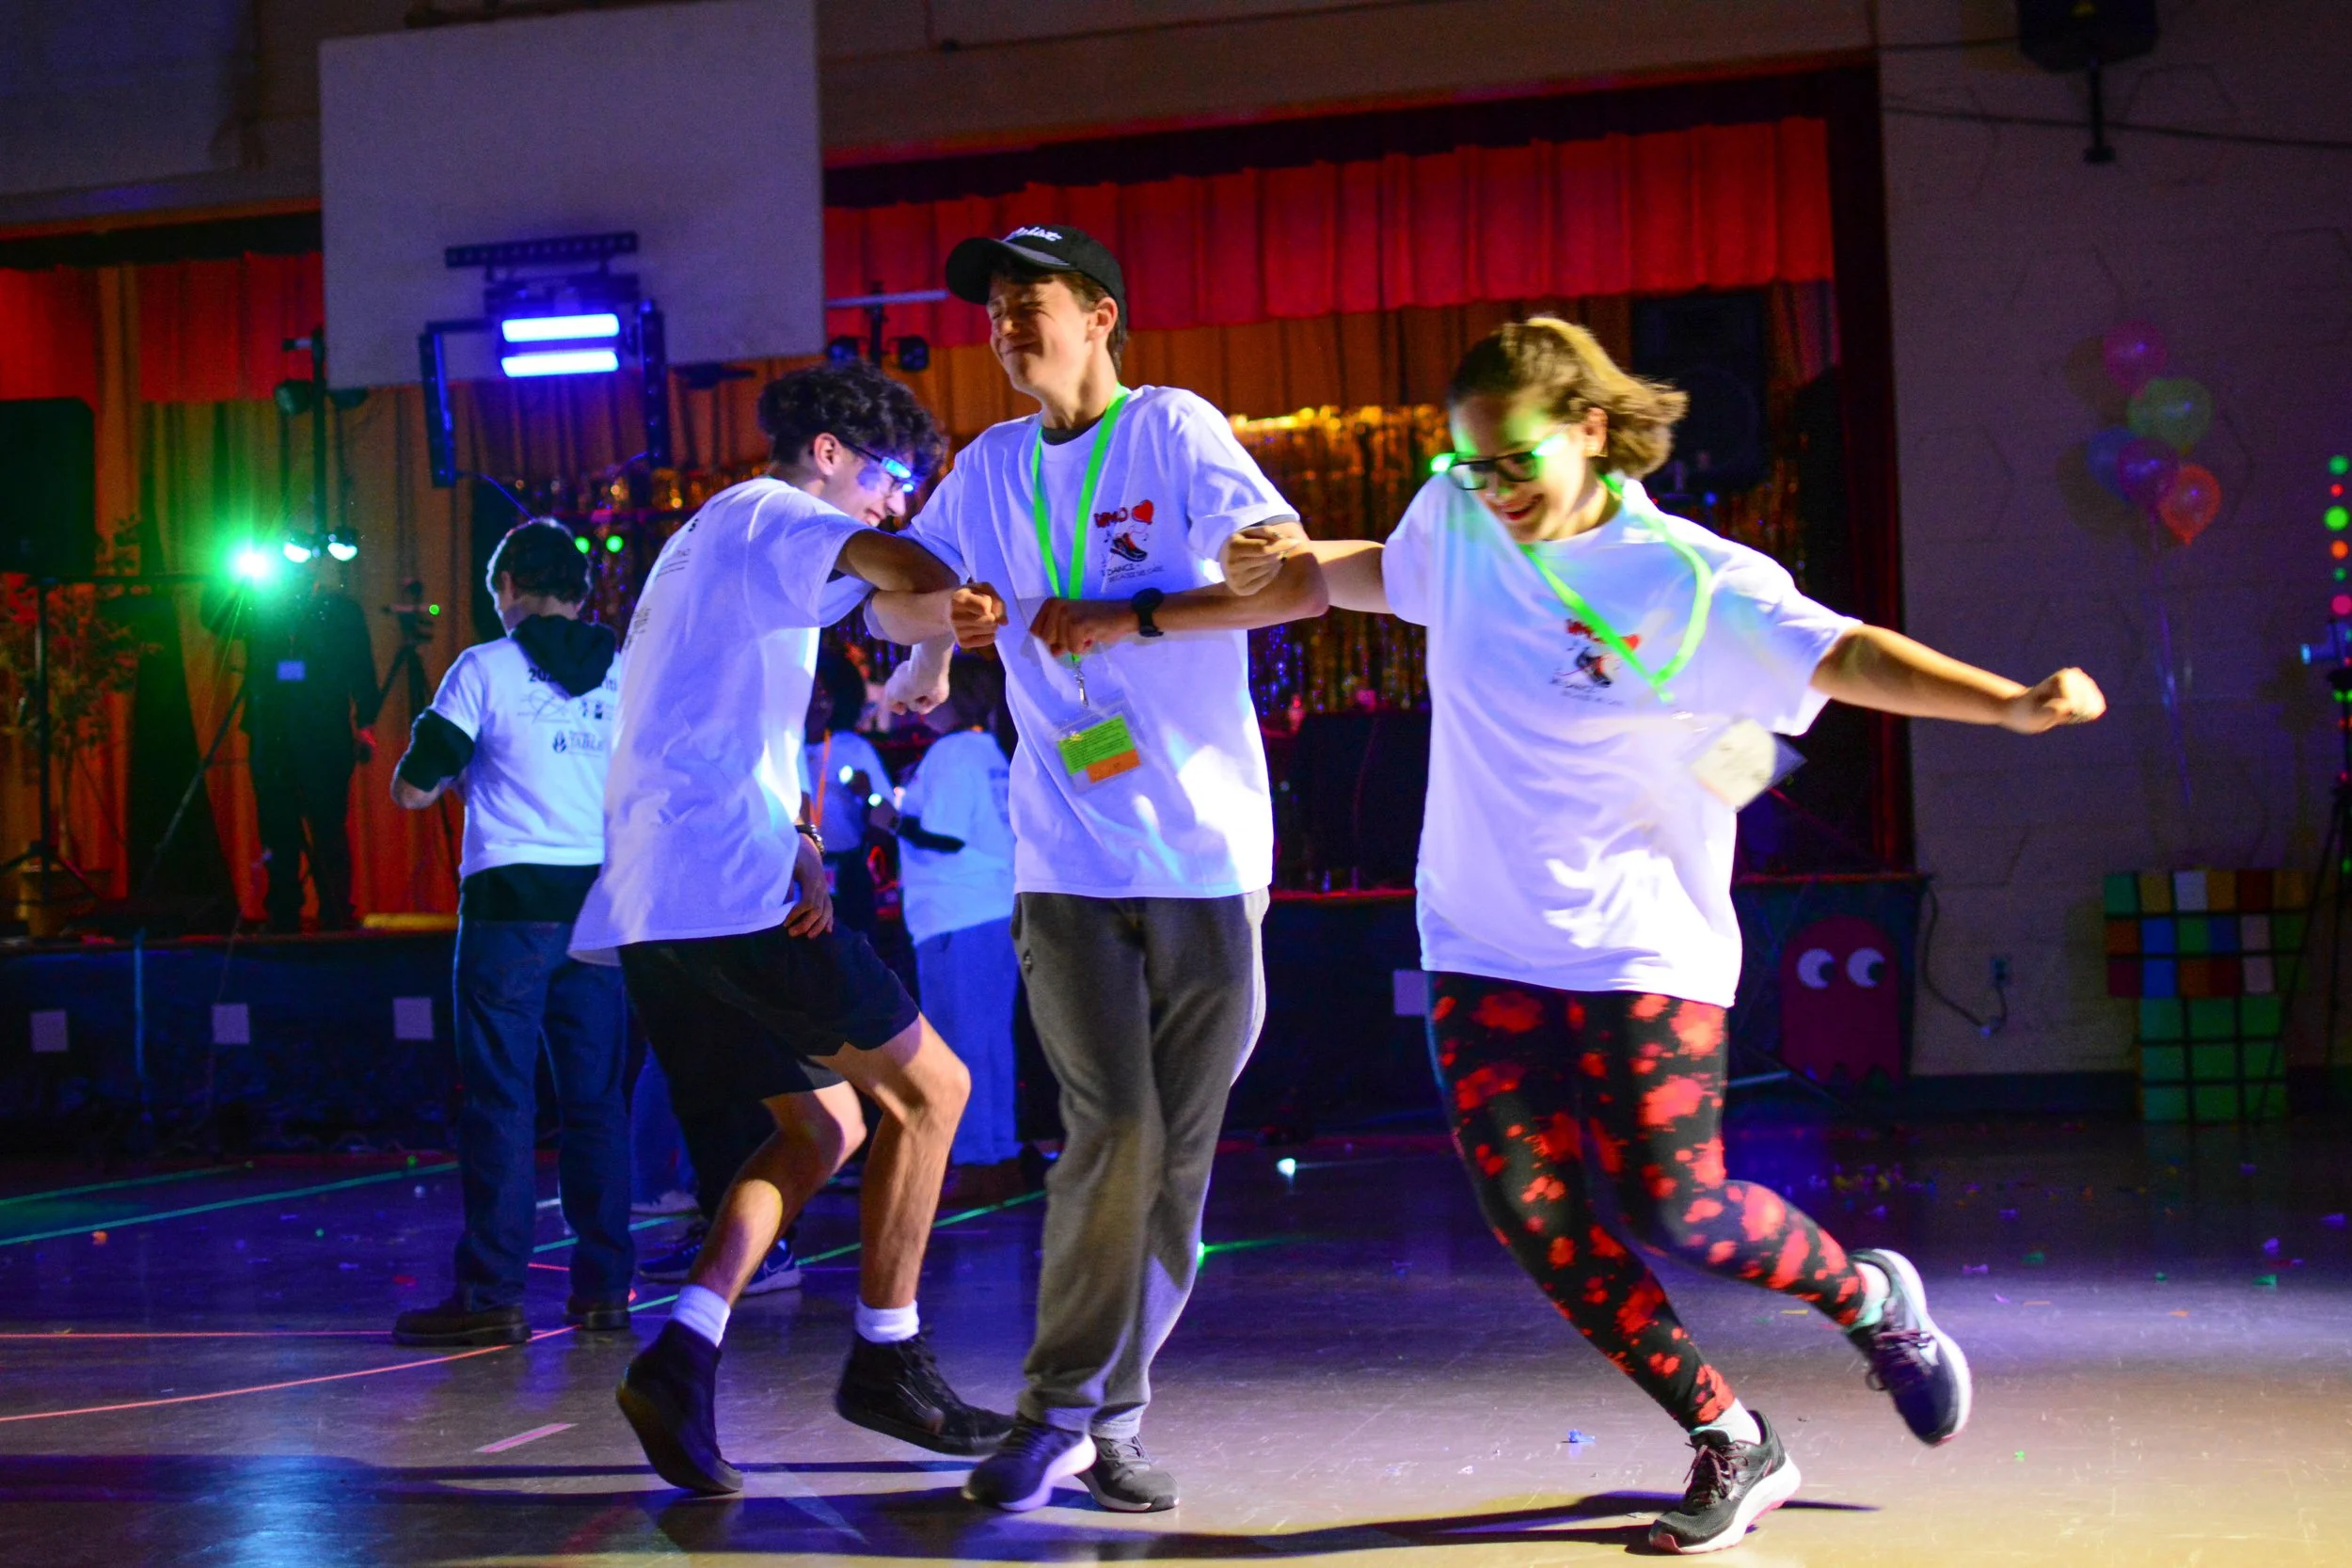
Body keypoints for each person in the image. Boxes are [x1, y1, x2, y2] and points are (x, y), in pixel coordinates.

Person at [1299, 317, 2106, 1554]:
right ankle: (1734, 1436)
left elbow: (1848, 654)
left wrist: (2005, 704)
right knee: (1534, 1212)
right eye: (1467, 464)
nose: (1491, 488)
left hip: (1641, 944)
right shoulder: (1456, 519)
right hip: (1478, 934)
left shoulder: (1692, 575)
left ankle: (1868, 1294)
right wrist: (1188, 601)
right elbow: (1363, 573)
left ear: (1584, 428)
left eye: (1513, 458)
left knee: (1680, 1205)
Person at [865, 221, 1327, 1513]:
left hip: (1207, 857)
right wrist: (935, 614)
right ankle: (1058, 1406)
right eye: (996, 304)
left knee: (1174, 1156)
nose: (1009, 319)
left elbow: (1288, 583)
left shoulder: (1174, 431)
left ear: (1103, 315)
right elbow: (892, 604)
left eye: (1035, 298)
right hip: (1063, 858)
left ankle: (1108, 1411)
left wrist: (1141, 610)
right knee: (1108, 1129)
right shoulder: (991, 466)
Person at [571, 358, 1010, 1497]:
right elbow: (911, 570)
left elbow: (699, 718)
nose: (895, 498)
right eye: (888, 475)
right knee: (936, 1089)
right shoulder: (776, 515)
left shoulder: (708, 543)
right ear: (827, 455)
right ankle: (888, 1354)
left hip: (661, 903)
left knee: (822, 1127)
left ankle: (682, 1355)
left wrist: (802, 840)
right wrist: (927, 649)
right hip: (721, 890)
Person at [388, 519, 633, 1346]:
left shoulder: (483, 667)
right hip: (602, 907)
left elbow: (414, 790)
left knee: (502, 1097)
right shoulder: (624, 672)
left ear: (508, 591)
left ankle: (492, 1293)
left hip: (509, 911)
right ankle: (604, 1290)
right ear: (580, 590)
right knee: (597, 1102)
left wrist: (461, 770)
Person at [876, 653, 1022, 1201]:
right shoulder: (986, 749)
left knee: (963, 1044)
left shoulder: (956, 752)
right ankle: (994, 1153)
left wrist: (888, 819)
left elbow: (943, 837)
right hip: (980, 909)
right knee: (985, 1040)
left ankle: (980, 1160)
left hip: (959, 912)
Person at [229, 562, 382, 931]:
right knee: (277, 827)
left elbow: (361, 666)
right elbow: (214, 618)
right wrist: (236, 580)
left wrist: (365, 723)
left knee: (328, 825)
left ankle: (335, 909)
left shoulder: (340, 609)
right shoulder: (261, 605)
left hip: (324, 732)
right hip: (273, 731)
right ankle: (282, 911)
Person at [803, 645, 894, 936]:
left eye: (825, 693)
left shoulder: (853, 748)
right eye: (811, 691)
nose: (818, 701)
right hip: (794, 876)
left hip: (847, 872)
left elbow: (888, 818)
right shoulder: (781, 746)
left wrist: (868, 796)